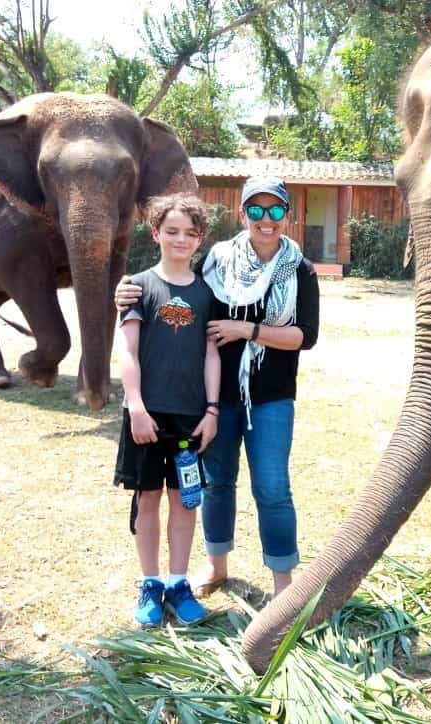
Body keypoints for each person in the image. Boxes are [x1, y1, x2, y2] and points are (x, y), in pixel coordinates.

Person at [116, 177, 320, 598]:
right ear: (243, 214)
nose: (267, 220)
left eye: (276, 211)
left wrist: (246, 329)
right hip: (214, 398)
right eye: (257, 211)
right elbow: (175, 282)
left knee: (273, 487)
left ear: (288, 215)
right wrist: (125, 290)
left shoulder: (300, 270)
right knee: (217, 483)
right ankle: (216, 564)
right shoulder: (217, 260)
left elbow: (305, 335)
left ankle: (283, 581)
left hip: (271, 397)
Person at [114, 193, 220, 627]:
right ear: (155, 233)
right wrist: (136, 406)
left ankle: (179, 583)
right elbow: (128, 351)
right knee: (148, 498)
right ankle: (151, 584)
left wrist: (212, 411)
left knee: (185, 500)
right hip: (146, 416)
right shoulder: (138, 287)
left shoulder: (207, 294)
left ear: (200, 239)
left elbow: (212, 354)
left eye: (189, 233)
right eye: (171, 231)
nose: (180, 239)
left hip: (191, 418)